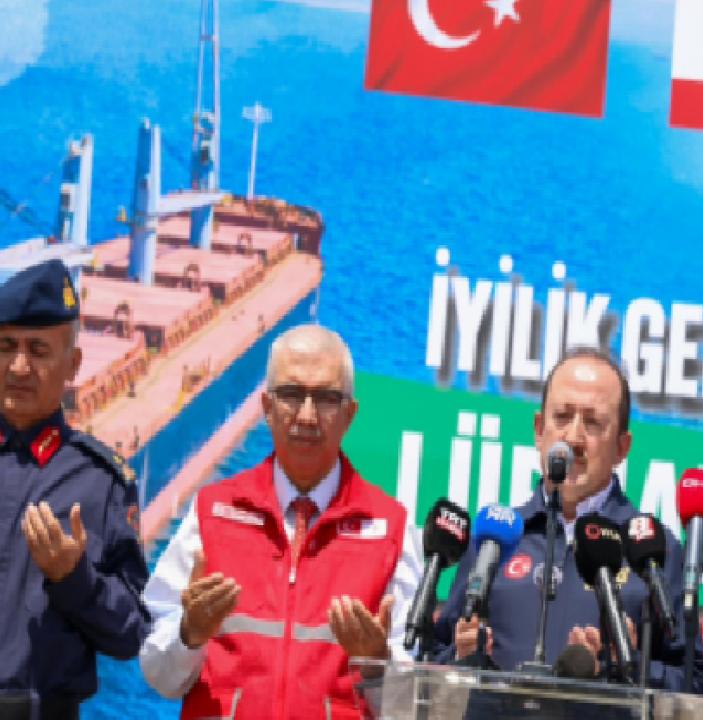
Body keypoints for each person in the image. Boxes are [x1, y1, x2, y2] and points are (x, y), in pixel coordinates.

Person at [139, 324, 424, 719]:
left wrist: (377, 664)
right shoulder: (212, 512)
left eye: (326, 398)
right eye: (291, 394)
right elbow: (157, 674)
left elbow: (412, 709)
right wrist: (189, 633)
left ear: (349, 415)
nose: (307, 416)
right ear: (267, 407)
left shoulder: (390, 529)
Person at [434, 347, 703, 693]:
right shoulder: (495, 539)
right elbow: (434, 658)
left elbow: (694, 685)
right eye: (562, 417)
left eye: (593, 423)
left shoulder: (652, 548)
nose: (573, 438)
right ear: (539, 430)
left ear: (622, 447)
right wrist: (462, 656)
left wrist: (627, 664)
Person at [0, 259, 150, 719]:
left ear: (73, 365)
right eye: (6, 346)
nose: (19, 366)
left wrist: (74, 577)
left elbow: (134, 635)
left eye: (38, 351)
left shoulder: (99, 482)